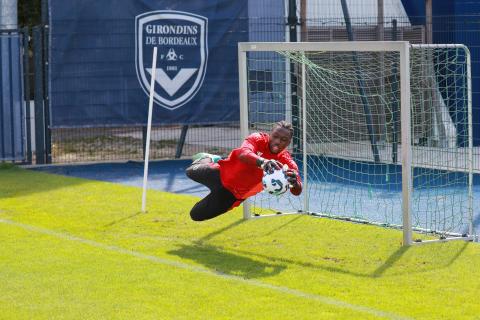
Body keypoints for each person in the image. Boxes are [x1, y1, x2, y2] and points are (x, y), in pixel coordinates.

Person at [185, 121, 302, 221]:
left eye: (283, 140)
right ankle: (209, 158)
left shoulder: (287, 162)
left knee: (195, 215)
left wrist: (295, 183)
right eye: (275, 136)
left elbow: (297, 191)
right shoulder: (258, 138)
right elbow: (243, 153)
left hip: (232, 195)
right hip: (220, 173)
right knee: (189, 171)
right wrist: (263, 162)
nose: (277, 141)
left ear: (288, 143)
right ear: (270, 134)